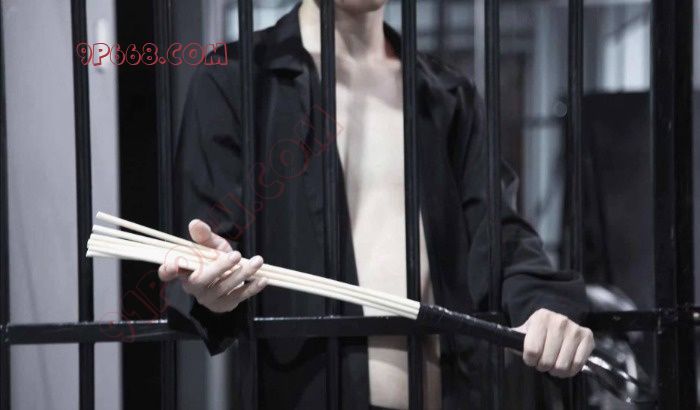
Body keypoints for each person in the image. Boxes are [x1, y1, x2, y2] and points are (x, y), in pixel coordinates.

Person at [159, 0, 594, 408]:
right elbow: (211, 249)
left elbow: (499, 236)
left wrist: (544, 306)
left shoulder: (446, 94)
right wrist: (213, 286)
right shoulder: (236, 80)